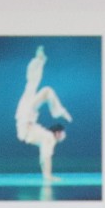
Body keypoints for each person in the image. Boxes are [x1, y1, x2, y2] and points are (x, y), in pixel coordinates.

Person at [14, 46, 71, 184]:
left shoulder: (48, 138)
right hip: (27, 117)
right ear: (57, 133)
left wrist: (47, 175)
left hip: (25, 119)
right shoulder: (48, 137)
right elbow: (44, 157)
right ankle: (39, 60)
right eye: (62, 134)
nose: (63, 136)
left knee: (40, 88)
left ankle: (58, 111)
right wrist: (48, 175)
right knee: (35, 86)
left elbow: (44, 157)